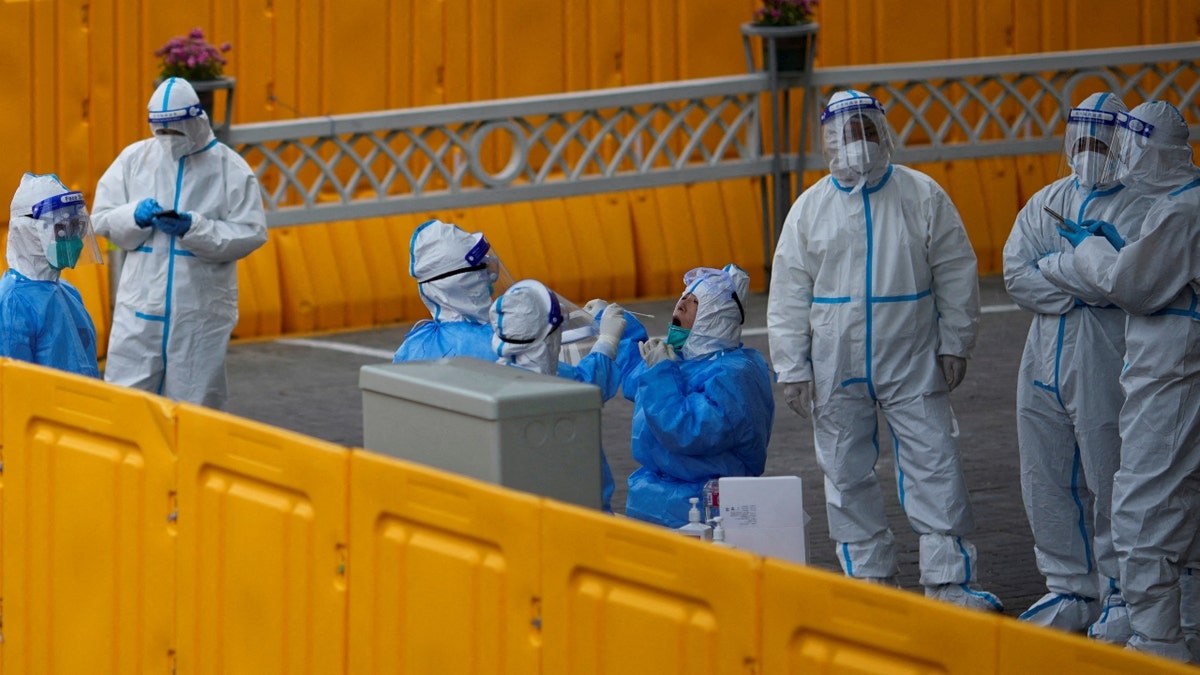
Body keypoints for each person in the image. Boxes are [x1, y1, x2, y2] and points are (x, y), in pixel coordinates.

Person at [767, 89, 1001, 612]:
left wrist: (955, 339)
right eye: (845, 135)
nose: (857, 144)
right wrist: (792, 366)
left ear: (882, 133)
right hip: (834, 362)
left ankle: (949, 584)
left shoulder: (922, 196)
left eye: (865, 131)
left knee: (935, 461)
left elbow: (955, 269)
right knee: (845, 472)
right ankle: (869, 582)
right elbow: (787, 293)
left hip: (912, 353)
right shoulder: (810, 209)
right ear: (828, 142)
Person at [1003, 92, 1152, 633]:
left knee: (1108, 472)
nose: (1091, 151)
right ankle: (1067, 587)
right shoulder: (1048, 198)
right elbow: (1016, 274)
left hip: (1104, 355)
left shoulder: (1140, 205)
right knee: (1043, 470)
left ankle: (1120, 594)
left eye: (1102, 141)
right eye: (1084, 141)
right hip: (1043, 353)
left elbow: (1126, 282)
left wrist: (1060, 268)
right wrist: (1083, 278)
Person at [1061, 100, 1200, 663]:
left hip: (1171, 372)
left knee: (1144, 507)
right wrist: (1121, 251)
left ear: (1149, 149)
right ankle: (1182, 626)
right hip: (1175, 366)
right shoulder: (1180, 203)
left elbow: (1135, 288)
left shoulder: (1180, 212)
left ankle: (1158, 643)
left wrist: (1091, 250)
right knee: (1182, 503)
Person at [92, 77, 267, 409]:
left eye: (176, 130)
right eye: (162, 131)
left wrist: (194, 228)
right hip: (139, 310)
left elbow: (251, 232)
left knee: (194, 405)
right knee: (127, 401)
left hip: (198, 312)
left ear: (195, 121)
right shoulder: (134, 160)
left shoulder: (230, 168)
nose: (169, 139)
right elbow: (101, 217)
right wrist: (134, 217)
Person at [622, 264, 773, 529]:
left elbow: (687, 430)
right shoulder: (682, 360)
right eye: (683, 296)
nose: (681, 303)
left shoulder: (733, 376)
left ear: (714, 318)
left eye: (694, 302)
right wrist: (617, 326)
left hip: (701, 511)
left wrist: (659, 372)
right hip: (653, 500)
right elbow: (635, 380)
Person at [490, 278, 628, 512]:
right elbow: (588, 388)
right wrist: (607, 341)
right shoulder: (551, 387)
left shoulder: (493, 376)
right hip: (575, 512)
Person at [0, 173, 102, 377]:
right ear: (28, 231)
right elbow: (14, 390)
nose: (74, 240)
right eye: (62, 230)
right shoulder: (13, 303)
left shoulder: (68, 291)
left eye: (76, 227)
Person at [394, 218, 509, 362]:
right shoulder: (505, 344)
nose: (489, 275)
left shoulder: (413, 347)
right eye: (482, 269)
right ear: (467, 282)